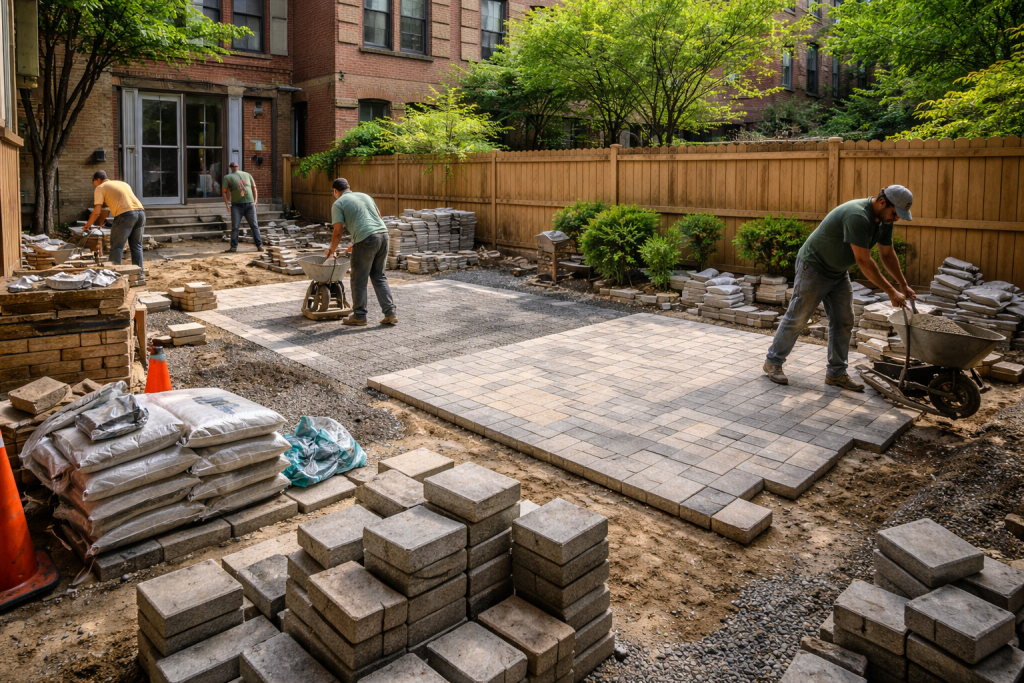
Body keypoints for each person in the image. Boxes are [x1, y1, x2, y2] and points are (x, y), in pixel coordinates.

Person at [763, 185, 917, 391]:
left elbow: (887, 255)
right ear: (882, 203)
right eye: (895, 213)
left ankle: (836, 373)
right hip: (814, 267)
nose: (896, 219)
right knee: (798, 317)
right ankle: (773, 362)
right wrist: (891, 291)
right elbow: (864, 260)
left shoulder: (884, 220)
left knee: (844, 320)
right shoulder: (857, 216)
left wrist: (903, 285)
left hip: (837, 271)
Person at [326, 177, 397, 326]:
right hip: (383, 236)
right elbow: (378, 217)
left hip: (367, 238)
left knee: (358, 278)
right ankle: (390, 313)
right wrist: (357, 240)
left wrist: (331, 251)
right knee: (379, 276)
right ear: (349, 187)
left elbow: (337, 232)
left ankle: (359, 315)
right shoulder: (365, 196)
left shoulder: (338, 203)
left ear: (335, 191)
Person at [83, 170, 146, 283]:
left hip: (125, 216)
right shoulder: (122, 183)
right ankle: (139, 276)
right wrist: (101, 223)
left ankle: (113, 277)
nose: (94, 185)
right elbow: (106, 209)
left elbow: (97, 211)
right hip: (140, 213)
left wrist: (88, 225)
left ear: (97, 180)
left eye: (94, 182)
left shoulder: (100, 187)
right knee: (136, 246)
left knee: (116, 247)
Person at [222, 161, 264, 253]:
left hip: (239, 205)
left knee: (236, 227)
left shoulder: (228, 177)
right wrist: (255, 201)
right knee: (253, 226)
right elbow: (254, 188)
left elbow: (224, 192)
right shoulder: (247, 174)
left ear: (230, 167)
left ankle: (234, 247)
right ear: (238, 166)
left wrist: (227, 204)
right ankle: (259, 245)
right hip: (247, 204)